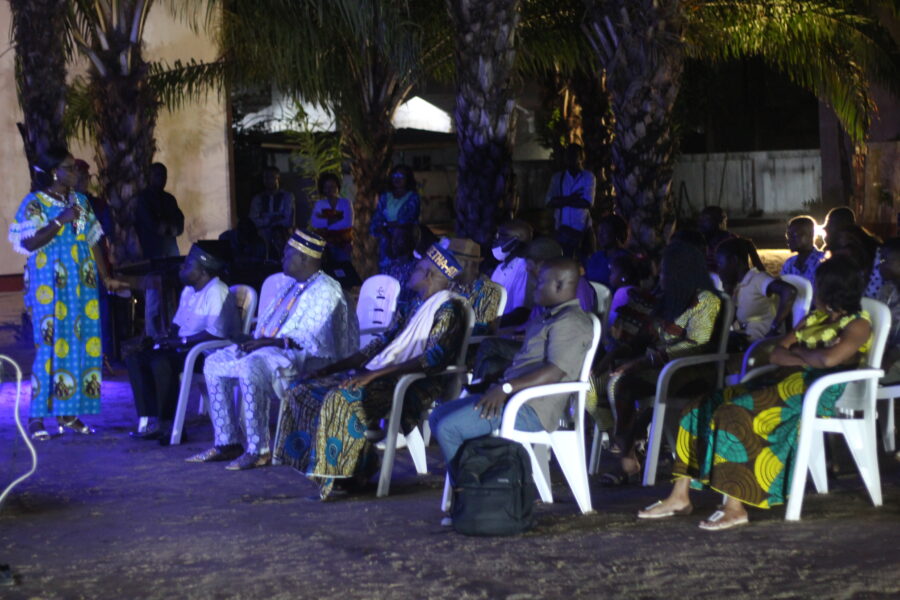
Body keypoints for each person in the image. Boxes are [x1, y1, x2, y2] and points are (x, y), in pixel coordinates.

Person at [637, 256, 873, 529]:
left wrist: (797, 353)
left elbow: (829, 362)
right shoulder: (814, 318)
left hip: (811, 389)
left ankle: (735, 507)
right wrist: (806, 355)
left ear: (830, 289)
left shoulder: (858, 324)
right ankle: (679, 496)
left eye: (818, 285)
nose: (815, 290)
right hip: (781, 379)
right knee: (700, 406)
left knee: (734, 412)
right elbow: (776, 353)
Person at [274, 244, 468, 499]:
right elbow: (376, 346)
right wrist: (328, 369)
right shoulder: (412, 306)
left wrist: (373, 375)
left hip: (413, 383)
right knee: (299, 390)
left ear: (429, 276)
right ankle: (338, 467)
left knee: (339, 398)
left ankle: (341, 477)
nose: (412, 272)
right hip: (382, 375)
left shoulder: (449, 309)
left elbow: (432, 359)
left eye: (418, 269)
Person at [187, 230, 358, 470]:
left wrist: (268, 343)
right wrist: (254, 340)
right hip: (274, 352)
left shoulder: (326, 289)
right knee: (215, 362)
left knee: (251, 366)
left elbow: (311, 336)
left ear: (305, 259)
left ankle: (259, 450)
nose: (282, 257)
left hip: (305, 359)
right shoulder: (291, 285)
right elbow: (271, 324)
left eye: (288, 253)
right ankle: (227, 443)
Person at [430, 258, 593, 484]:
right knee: (439, 415)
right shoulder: (549, 316)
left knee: (449, 427)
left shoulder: (571, 322)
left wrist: (505, 388)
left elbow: (555, 372)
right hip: (514, 398)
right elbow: (529, 362)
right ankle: (480, 482)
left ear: (559, 285)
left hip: (532, 408)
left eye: (540, 282)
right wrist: (495, 380)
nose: (534, 286)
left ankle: (470, 494)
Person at [9, 147, 128, 440]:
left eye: (76, 168)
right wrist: (59, 220)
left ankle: (68, 413)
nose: (76, 173)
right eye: (70, 168)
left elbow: (94, 242)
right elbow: (29, 242)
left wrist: (106, 278)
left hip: (82, 285)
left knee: (80, 346)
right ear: (54, 172)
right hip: (48, 287)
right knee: (49, 348)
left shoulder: (82, 202)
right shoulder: (34, 203)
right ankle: (37, 418)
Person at [602, 240, 722, 485]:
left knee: (622, 384)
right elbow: (647, 336)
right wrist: (615, 355)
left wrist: (643, 362)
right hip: (661, 367)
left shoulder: (706, 300)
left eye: (666, 271)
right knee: (607, 380)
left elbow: (696, 344)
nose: (661, 276)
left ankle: (626, 455)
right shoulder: (670, 298)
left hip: (691, 370)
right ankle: (628, 449)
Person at [126, 243, 241, 443]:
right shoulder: (189, 290)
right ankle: (154, 420)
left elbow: (217, 334)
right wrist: (162, 340)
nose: (182, 269)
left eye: (188, 266)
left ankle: (171, 425)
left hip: (206, 353)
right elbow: (177, 325)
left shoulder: (217, 291)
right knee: (137, 357)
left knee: (161, 363)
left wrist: (183, 341)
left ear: (203, 271)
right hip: (185, 349)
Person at [716, 237, 797, 345]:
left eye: (720, 264)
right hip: (746, 341)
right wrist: (728, 291)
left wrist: (774, 328)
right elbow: (727, 321)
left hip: (759, 346)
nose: (719, 270)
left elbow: (789, 291)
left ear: (734, 261)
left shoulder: (758, 279)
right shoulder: (739, 285)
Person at [135, 162, 185, 338]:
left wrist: (168, 227)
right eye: (157, 175)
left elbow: (179, 225)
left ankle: (171, 334)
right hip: (153, 257)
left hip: (171, 256)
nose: (161, 179)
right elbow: (153, 226)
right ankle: (153, 336)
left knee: (174, 297)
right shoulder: (143, 199)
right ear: (149, 177)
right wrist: (165, 226)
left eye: (163, 175)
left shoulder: (170, 199)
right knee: (154, 300)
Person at [72, 159, 115, 360]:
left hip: (96, 264)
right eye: (79, 176)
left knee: (100, 309)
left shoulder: (96, 204)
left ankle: (103, 353)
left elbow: (103, 234)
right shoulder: (66, 204)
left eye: (86, 177)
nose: (83, 180)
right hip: (72, 267)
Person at [545, 143, 596, 257]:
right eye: (568, 155)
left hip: (583, 230)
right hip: (563, 231)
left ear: (582, 157)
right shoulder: (558, 178)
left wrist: (562, 201)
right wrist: (571, 199)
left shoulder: (588, 177)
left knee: (587, 265)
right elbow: (549, 202)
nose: (570, 158)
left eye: (574, 155)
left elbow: (587, 203)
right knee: (564, 266)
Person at [447, 238, 504, 336]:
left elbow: (479, 330)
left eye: (452, 260)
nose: (447, 264)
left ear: (469, 264)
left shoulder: (488, 290)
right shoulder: (450, 282)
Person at [371, 165, 420, 268]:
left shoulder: (413, 197)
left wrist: (386, 225)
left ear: (408, 178)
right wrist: (385, 230)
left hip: (404, 242)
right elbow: (377, 218)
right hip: (385, 243)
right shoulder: (385, 196)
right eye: (394, 175)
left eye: (401, 176)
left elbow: (407, 219)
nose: (397, 178)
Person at [489, 219, 533, 314]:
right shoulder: (501, 267)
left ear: (515, 241)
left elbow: (519, 312)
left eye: (502, 236)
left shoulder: (524, 270)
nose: (496, 240)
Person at [249, 166, 296, 253]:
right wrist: (272, 219)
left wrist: (266, 220)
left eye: (272, 177)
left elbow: (288, 219)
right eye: (266, 178)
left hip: (283, 233)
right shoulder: (258, 198)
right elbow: (253, 220)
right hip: (263, 234)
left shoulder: (287, 197)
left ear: (278, 178)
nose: (269, 181)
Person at [310, 172, 353, 262]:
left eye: (333, 186)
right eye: (327, 187)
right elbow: (315, 222)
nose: (330, 190)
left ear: (338, 187)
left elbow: (347, 223)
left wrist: (326, 220)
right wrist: (337, 217)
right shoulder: (320, 204)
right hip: (324, 245)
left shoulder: (345, 203)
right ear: (323, 189)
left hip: (343, 244)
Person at [876, 237, 900, 384]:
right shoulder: (888, 289)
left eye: (886, 260)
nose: (880, 265)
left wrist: (889, 357)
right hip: (884, 352)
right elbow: (877, 323)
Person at [584, 214, 629, 287]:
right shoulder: (596, 256)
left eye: (604, 231)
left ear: (616, 233)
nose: (600, 235)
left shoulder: (624, 259)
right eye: (599, 231)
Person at [781, 215, 825, 286]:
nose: (789, 239)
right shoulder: (789, 264)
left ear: (810, 234)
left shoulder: (823, 262)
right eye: (788, 235)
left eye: (795, 235)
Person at [698, 205, 734, 271]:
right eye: (702, 220)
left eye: (704, 220)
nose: (701, 224)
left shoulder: (697, 242)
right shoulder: (732, 240)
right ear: (722, 221)